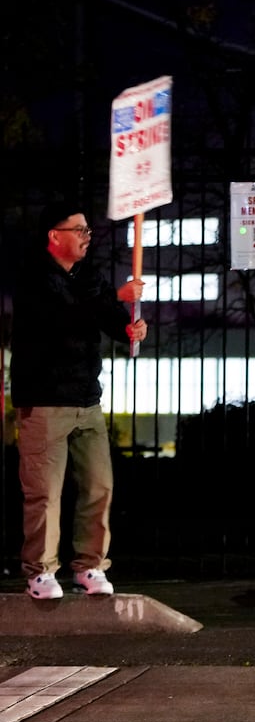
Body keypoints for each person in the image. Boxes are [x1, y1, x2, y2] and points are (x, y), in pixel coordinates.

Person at [11, 202, 146, 600]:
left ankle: (89, 566)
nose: (88, 237)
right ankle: (40, 572)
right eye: (79, 230)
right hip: (45, 401)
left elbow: (105, 316)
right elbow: (63, 317)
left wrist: (129, 327)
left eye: (88, 230)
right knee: (44, 491)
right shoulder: (35, 278)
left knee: (98, 485)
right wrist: (113, 295)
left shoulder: (89, 275)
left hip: (87, 400)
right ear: (55, 236)